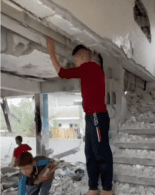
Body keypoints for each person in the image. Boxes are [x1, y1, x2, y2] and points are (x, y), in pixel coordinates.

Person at [47, 38, 113, 195]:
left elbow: (62, 73)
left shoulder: (91, 67)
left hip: (97, 116)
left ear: (83, 57)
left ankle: (107, 189)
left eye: (76, 58)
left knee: (101, 152)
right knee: (90, 152)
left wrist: (51, 52)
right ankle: (93, 187)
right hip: (90, 117)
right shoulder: (89, 70)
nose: (75, 62)